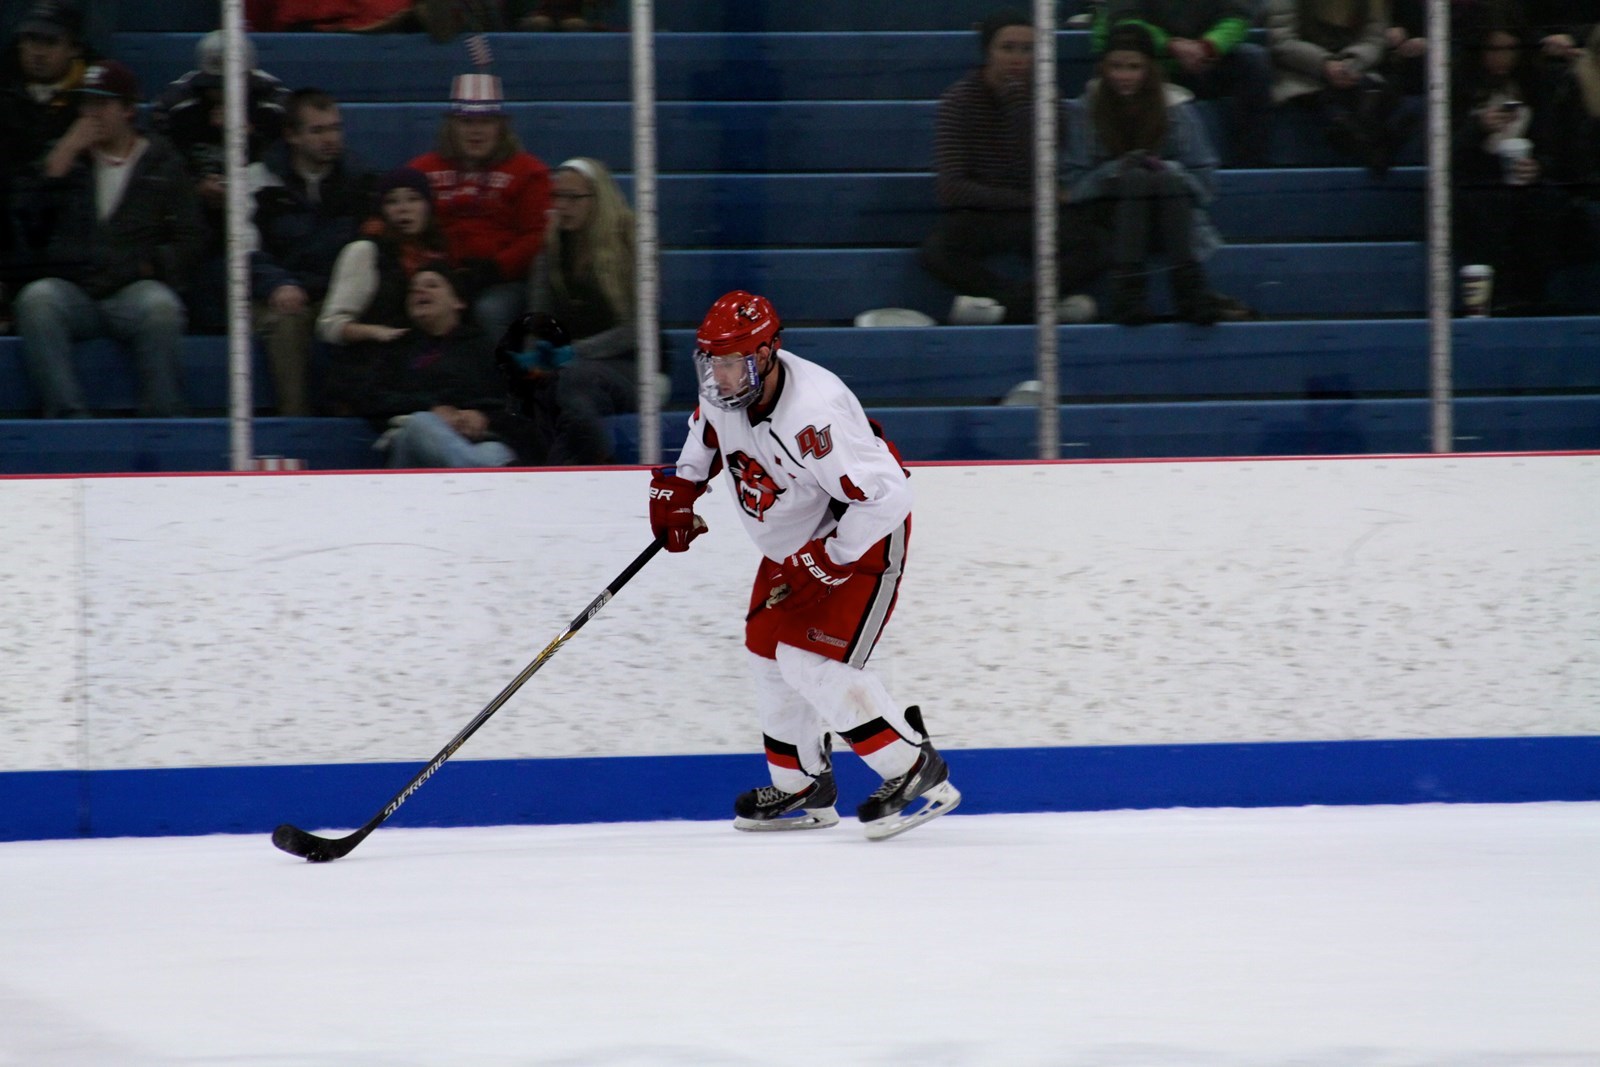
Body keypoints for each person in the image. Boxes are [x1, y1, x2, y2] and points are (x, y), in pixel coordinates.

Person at [646, 290, 960, 840]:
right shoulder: (727, 392)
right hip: (793, 546)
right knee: (767, 654)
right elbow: (707, 433)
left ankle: (914, 769)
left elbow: (888, 498)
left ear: (766, 353)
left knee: (808, 661)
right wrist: (681, 488)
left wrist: (828, 559)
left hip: (859, 539)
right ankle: (801, 784)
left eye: (732, 362)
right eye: (711, 361)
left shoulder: (813, 414)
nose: (719, 375)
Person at [12, 59, 205, 418]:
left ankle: (164, 417)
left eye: (103, 104)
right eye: (86, 104)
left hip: (134, 287)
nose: (92, 114)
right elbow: (27, 227)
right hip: (76, 289)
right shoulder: (66, 157)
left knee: (161, 308)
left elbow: (191, 236)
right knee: (37, 300)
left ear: (128, 110)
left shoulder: (162, 162)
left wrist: (151, 265)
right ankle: (68, 416)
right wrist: (60, 161)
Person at [920, 8, 1105, 325]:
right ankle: (1027, 303)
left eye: (1028, 49)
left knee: (1099, 246)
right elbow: (952, 189)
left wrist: (1019, 105)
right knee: (936, 252)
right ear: (988, 52)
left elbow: (1044, 166)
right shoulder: (959, 101)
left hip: (1037, 213)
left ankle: (1009, 308)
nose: (1018, 58)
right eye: (1007, 48)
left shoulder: (1050, 99)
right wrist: (1030, 199)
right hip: (986, 213)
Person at [1064, 23, 1235, 325]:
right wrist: (1118, 169)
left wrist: (1164, 167)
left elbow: (1206, 183)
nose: (1124, 75)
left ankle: (1187, 290)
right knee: (1136, 177)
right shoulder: (1083, 111)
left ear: (1150, 69)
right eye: (1116, 66)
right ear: (1103, 68)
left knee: (1161, 177)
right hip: (1105, 218)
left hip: (1168, 214)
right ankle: (1133, 292)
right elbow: (1073, 184)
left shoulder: (1176, 110)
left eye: (1134, 67)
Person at [150, 29, 290, 335]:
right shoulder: (175, 104)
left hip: (257, 206)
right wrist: (195, 187)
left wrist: (248, 135)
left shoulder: (276, 104)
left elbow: (288, 169)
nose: (224, 92)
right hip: (195, 210)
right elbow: (156, 165)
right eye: (216, 86)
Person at [1451, 10, 1587, 315]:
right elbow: (1447, 153)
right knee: (1485, 208)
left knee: (1547, 203)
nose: (1503, 58)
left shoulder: (1538, 87)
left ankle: (1533, 296)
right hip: (1476, 180)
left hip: (1526, 182)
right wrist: (1479, 127)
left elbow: (1558, 148)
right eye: (1495, 50)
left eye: (1510, 49)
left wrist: (1539, 166)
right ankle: (1495, 298)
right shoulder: (1458, 87)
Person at [250, 87, 376, 416]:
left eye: (335, 128)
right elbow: (242, 247)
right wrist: (277, 283)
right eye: (318, 130)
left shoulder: (360, 179)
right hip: (277, 294)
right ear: (291, 134)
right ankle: (296, 423)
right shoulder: (258, 179)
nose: (330, 139)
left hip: (336, 293)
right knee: (286, 322)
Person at [407, 70, 551, 346]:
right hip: (436, 275)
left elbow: (536, 236)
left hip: (503, 279)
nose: (476, 130)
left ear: (501, 126)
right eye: (467, 122)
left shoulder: (530, 172)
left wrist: (496, 268)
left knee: (490, 309)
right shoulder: (421, 170)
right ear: (451, 125)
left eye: (486, 121)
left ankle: (501, 385)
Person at [362, 262, 544, 467]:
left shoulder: (485, 349)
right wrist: (433, 409)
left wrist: (485, 418)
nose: (419, 291)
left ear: (458, 302)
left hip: (479, 442)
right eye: (412, 289)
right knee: (420, 424)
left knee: (492, 453)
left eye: (432, 285)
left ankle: (474, 471)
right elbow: (373, 400)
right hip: (411, 446)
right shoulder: (397, 349)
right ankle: (480, 477)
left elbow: (519, 407)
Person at [524, 156, 640, 464]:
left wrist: (574, 353)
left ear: (597, 199)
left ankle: (602, 467)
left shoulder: (631, 245)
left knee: (572, 380)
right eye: (557, 196)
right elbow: (539, 322)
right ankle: (570, 471)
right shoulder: (552, 251)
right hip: (571, 370)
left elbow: (638, 329)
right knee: (537, 387)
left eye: (573, 198)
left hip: (628, 368)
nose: (563, 205)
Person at [317, 166, 452, 414]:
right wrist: (376, 332)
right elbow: (329, 326)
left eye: (413, 199)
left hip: (421, 368)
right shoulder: (364, 252)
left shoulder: (439, 256)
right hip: (371, 371)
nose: (403, 209)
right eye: (392, 201)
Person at [1093, 0, 1273, 165]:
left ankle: (1250, 165)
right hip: (1154, 61)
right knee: (1129, 61)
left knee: (1253, 61)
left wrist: (1208, 47)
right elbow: (1126, 21)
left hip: (1207, 60)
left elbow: (1236, 18)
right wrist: (1171, 45)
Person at [0, 0, 91, 325]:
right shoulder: (6, 98)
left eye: (50, 42)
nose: (38, 52)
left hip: (70, 245)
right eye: (30, 41)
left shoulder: (95, 104)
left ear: (73, 49)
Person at [1265, 0, 1417, 176]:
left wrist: (1351, 63)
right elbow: (1282, 41)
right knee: (1332, 99)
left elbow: (1374, 38)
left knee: (1373, 91)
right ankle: (1371, 140)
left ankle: (1360, 135)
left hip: (1354, 68)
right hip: (1303, 71)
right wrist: (1324, 64)